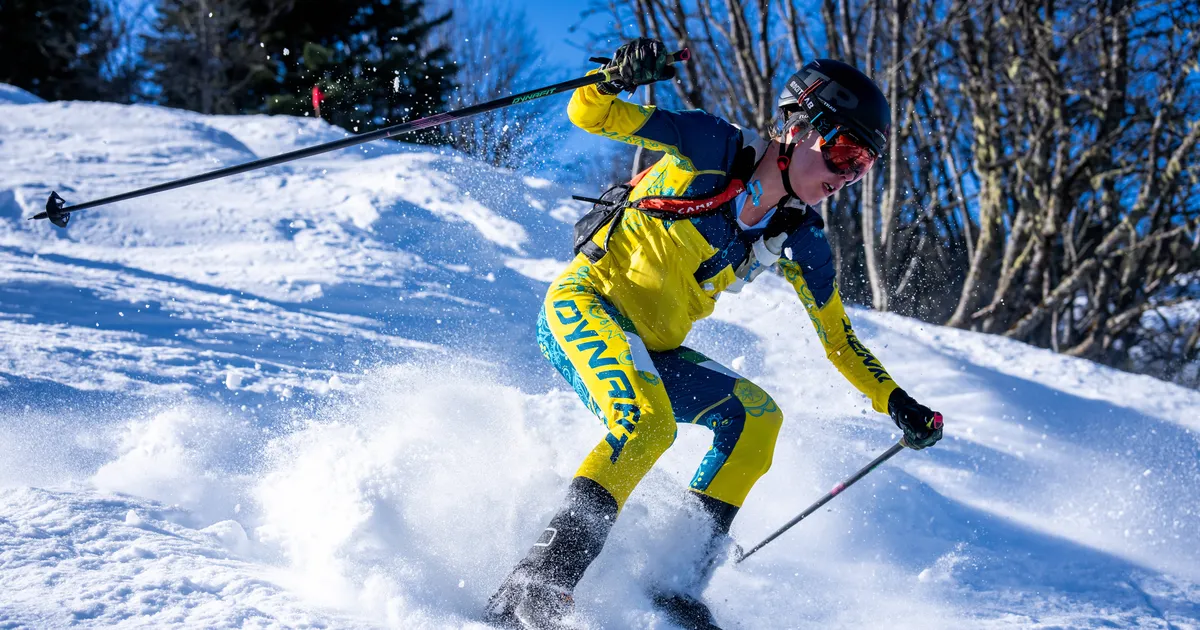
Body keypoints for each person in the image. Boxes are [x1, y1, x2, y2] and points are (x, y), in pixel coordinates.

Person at [485, 38, 944, 630]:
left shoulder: (799, 236)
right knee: (648, 423)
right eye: (843, 152)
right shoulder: (710, 145)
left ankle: (673, 587)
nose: (844, 177)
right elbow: (587, 113)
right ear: (800, 126)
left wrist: (898, 403)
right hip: (587, 303)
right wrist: (616, 77)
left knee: (756, 418)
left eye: (861, 167)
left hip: (655, 346)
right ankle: (537, 583)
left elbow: (838, 339)